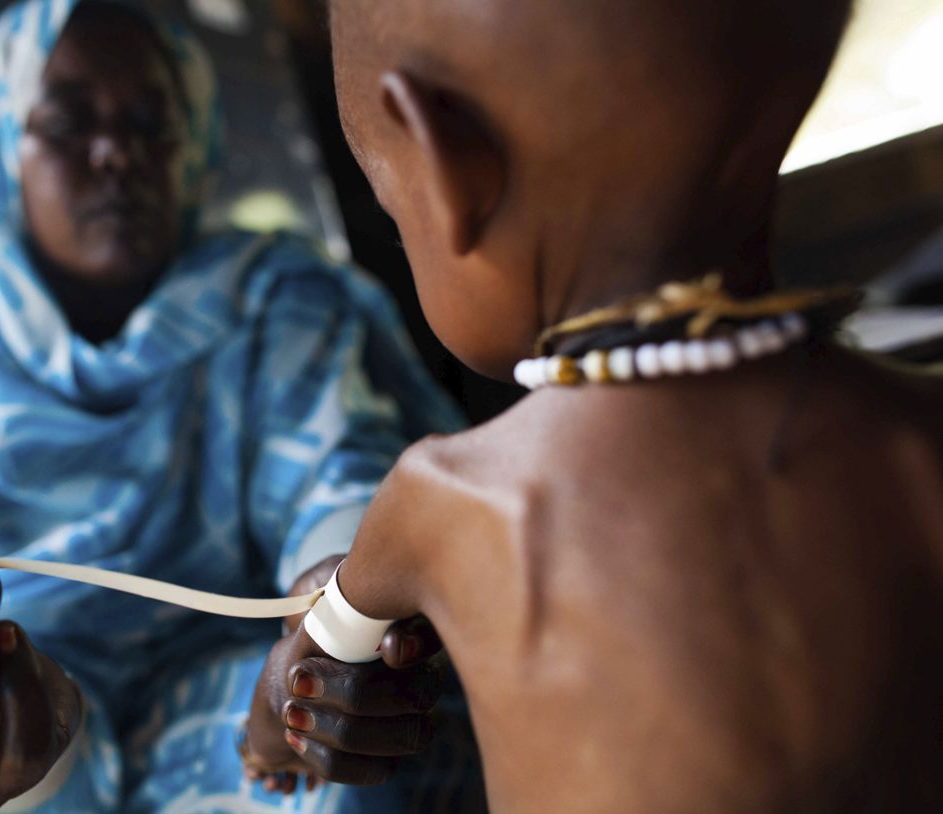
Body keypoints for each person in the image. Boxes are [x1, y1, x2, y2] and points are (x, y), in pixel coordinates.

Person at [0, 0, 485, 811]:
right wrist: (7, 750)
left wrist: (328, 639)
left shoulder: (278, 297)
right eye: (66, 123)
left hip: (244, 710)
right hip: (42, 755)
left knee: (345, 767)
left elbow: (340, 479)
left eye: (151, 123)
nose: (116, 154)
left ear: (195, 143)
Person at [243, 0, 943, 810]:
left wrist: (268, 737)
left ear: (447, 167)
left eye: (399, 223)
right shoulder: (918, 436)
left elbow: (311, 666)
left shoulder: (448, 498)